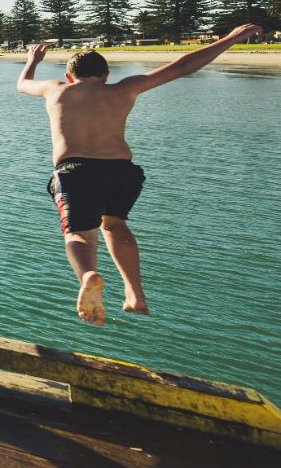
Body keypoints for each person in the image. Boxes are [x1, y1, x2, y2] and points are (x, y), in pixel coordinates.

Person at [16, 26, 261, 325]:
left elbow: (22, 83)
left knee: (79, 233)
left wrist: (33, 59)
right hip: (122, 173)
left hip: (76, 172)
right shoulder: (124, 88)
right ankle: (134, 294)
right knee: (115, 225)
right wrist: (232, 38)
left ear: (70, 76)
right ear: (106, 75)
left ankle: (88, 275)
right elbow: (184, 65)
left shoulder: (56, 89)